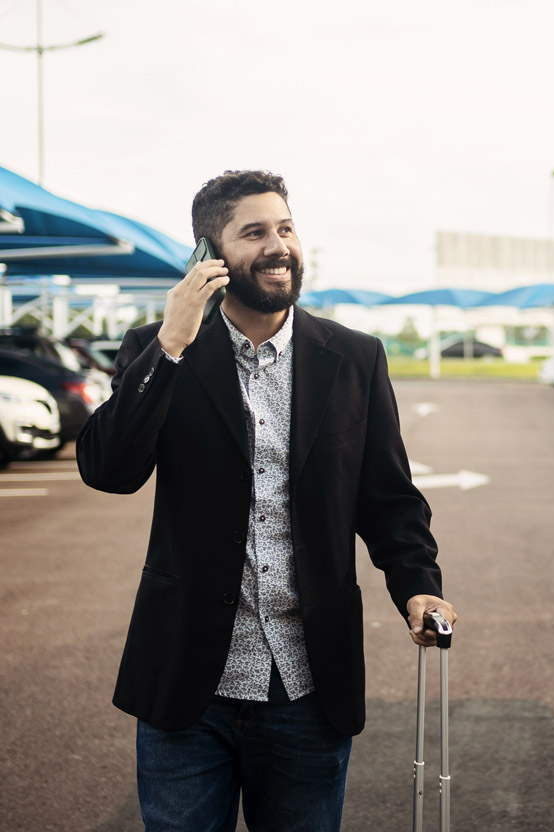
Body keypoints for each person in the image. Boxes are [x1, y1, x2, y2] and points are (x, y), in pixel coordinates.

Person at [76, 169, 457, 832]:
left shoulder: (354, 358)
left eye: (285, 227)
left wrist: (417, 585)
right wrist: (171, 342)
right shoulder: (159, 350)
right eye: (254, 233)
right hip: (187, 685)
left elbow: (388, 495)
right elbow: (110, 469)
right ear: (210, 256)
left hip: (308, 687)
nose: (278, 245)